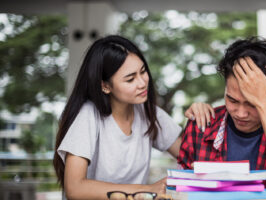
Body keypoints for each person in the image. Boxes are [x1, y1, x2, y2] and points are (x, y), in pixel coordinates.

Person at [52, 35, 212, 200]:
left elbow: (194, 161)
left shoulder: (149, 113)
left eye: (143, 71)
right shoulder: (88, 115)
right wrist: (147, 189)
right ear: (105, 86)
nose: (142, 83)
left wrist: (201, 119)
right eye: (130, 79)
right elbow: (75, 188)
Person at [178, 37, 266, 199]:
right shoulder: (201, 125)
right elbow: (181, 191)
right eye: (232, 100)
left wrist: (264, 104)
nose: (241, 113)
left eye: (251, 103)